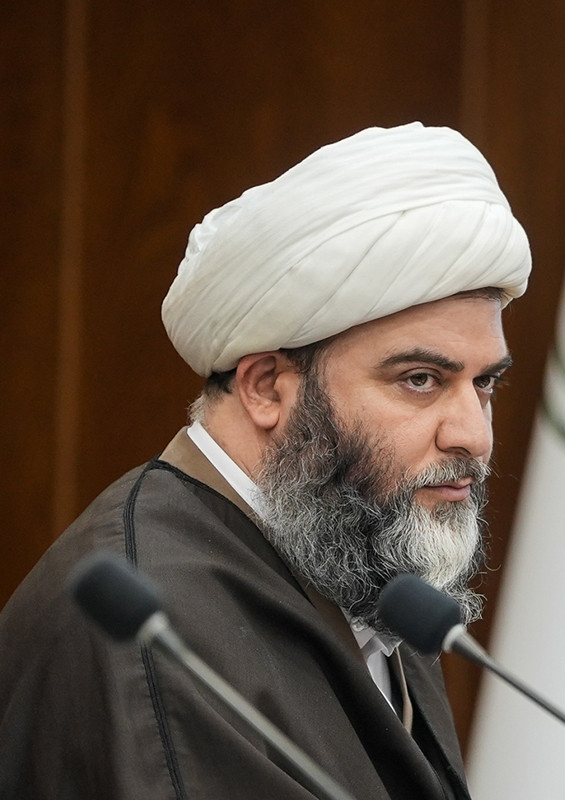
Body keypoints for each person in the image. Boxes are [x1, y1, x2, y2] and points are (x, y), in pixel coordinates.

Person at [0, 123, 532, 799]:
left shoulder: (364, 549)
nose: (474, 436)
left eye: (485, 384)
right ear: (266, 388)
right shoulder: (156, 630)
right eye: (420, 380)